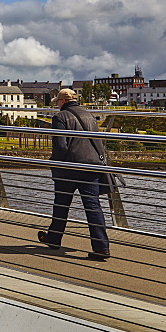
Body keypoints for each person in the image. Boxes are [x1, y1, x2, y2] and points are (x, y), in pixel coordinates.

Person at [38, 88, 111, 260]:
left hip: (69, 169)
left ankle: (54, 239)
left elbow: (61, 146)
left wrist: (54, 163)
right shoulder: (89, 115)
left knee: (61, 204)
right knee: (93, 206)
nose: (57, 105)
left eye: (57, 102)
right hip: (91, 166)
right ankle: (101, 246)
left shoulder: (60, 117)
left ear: (62, 101)